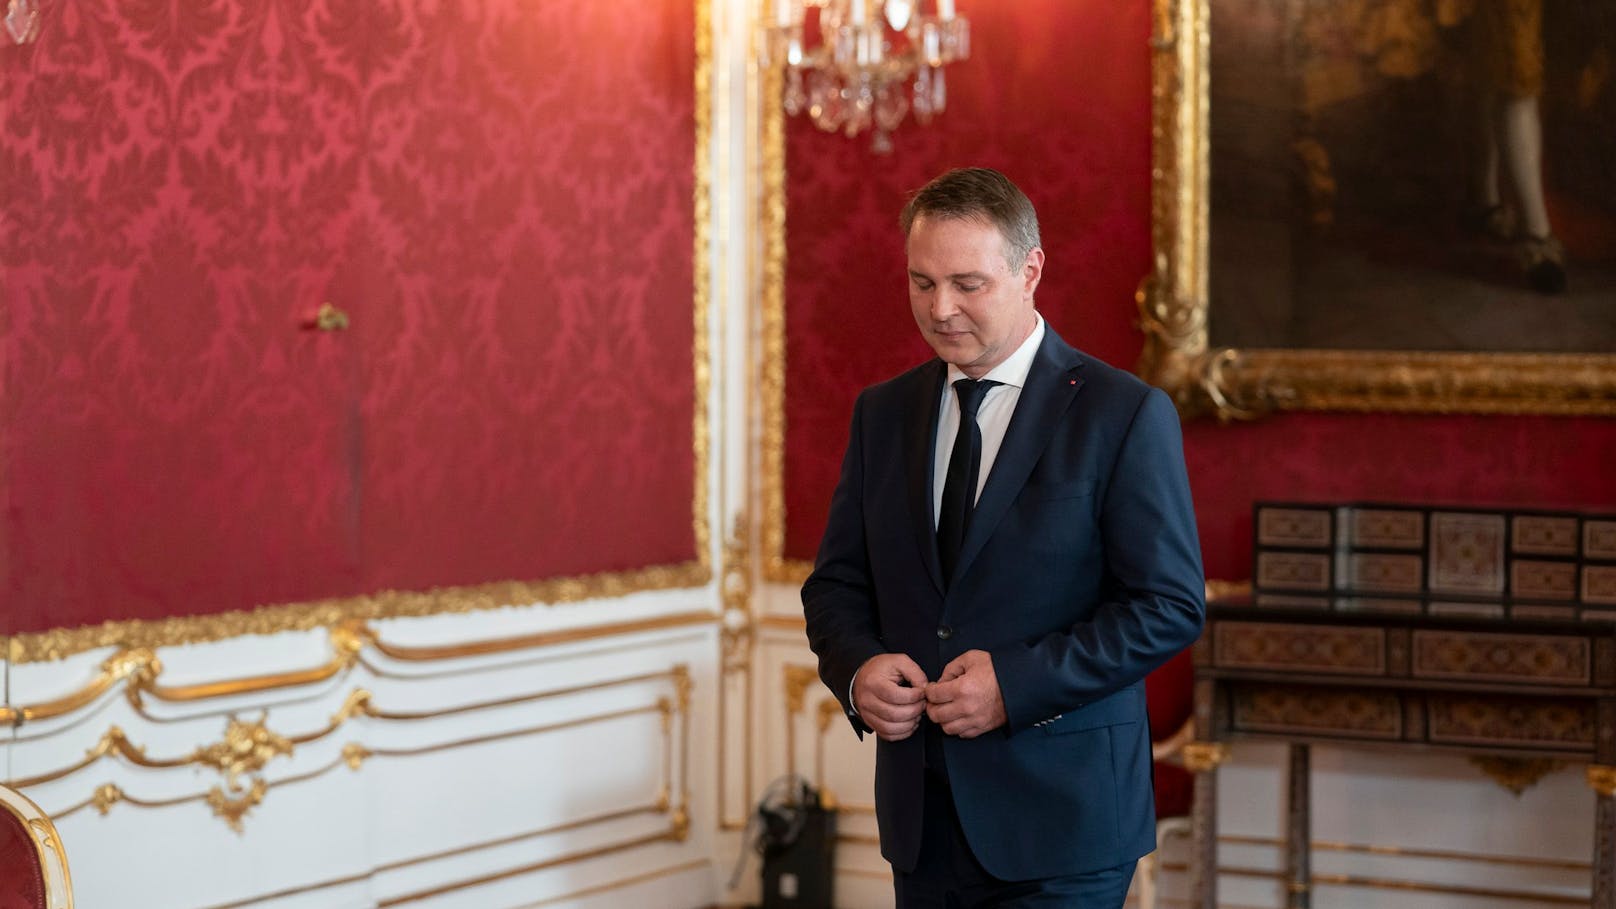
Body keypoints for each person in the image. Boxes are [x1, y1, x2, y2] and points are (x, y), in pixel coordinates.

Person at [801, 167, 1206, 908]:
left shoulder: (1123, 413)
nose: (941, 309)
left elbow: (1168, 605)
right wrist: (857, 671)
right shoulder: (882, 415)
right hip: (922, 823)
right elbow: (836, 585)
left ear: (1031, 271)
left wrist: (1014, 687)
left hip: (1066, 826)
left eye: (967, 283)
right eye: (922, 282)